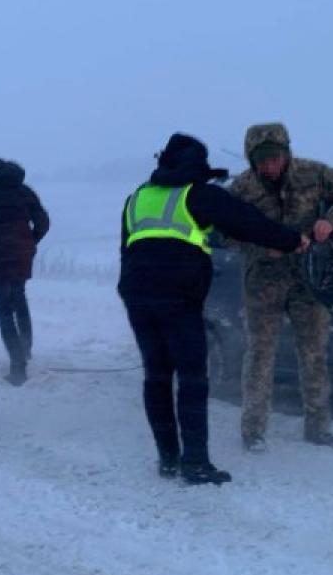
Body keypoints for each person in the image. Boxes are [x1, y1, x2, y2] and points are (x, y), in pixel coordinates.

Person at [119, 134, 306, 485]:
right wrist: (294, 240)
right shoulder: (197, 194)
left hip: (138, 295)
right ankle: (196, 463)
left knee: (156, 377)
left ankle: (168, 459)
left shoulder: (138, 197)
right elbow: (247, 221)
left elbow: (126, 248)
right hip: (178, 298)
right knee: (192, 379)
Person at [229, 122, 333, 451]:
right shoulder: (242, 188)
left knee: (314, 354)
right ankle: (253, 432)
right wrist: (261, 248)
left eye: (276, 158)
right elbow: (226, 232)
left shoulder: (313, 174)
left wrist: (331, 221)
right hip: (263, 282)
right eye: (262, 160)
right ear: (251, 159)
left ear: (287, 153)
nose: (270, 166)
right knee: (260, 356)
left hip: (309, 279)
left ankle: (318, 428)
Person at [0, 159, 51, 386]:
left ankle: (18, 365)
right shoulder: (23, 191)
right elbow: (43, 221)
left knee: (4, 310)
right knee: (19, 299)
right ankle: (25, 350)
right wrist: (31, 241)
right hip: (21, 254)